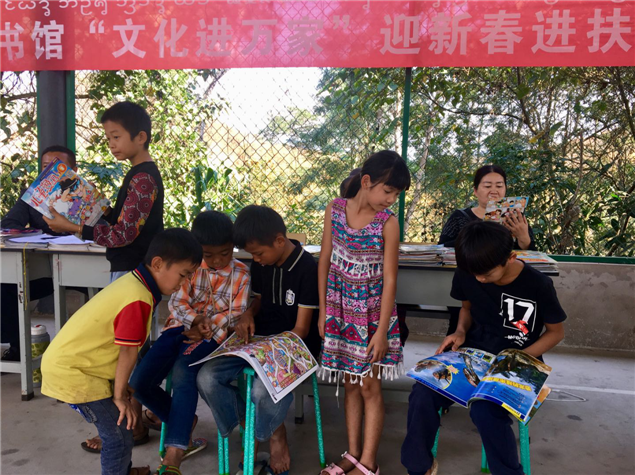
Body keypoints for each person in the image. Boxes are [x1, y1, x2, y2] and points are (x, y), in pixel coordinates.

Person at [43, 101, 165, 451]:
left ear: (140, 137)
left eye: (116, 136)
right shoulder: (137, 175)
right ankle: (133, 420)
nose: (111, 144)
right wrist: (96, 208)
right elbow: (124, 221)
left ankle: (128, 424)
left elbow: (125, 233)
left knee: (124, 349)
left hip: (133, 272)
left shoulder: (144, 177)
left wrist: (75, 227)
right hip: (130, 269)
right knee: (129, 347)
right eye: (108, 137)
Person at [401, 221, 566, 475]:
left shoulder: (538, 284)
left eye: (486, 274)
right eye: (474, 274)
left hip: (520, 360)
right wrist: (460, 331)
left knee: (485, 410)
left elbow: (556, 333)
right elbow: (466, 309)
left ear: (510, 258)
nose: (479, 279)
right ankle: (419, 467)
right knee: (423, 392)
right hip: (473, 353)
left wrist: (515, 358)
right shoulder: (468, 271)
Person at [41, 228, 202, 475]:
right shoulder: (138, 298)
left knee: (122, 428)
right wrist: (118, 395)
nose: (184, 283)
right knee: (117, 435)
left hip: (81, 368)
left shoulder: (134, 283)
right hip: (75, 373)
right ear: (158, 264)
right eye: (183, 275)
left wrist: (120, 386)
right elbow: (127, 351)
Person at [197, 205, 320, 475]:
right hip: (258, 340)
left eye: (258, 253)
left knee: (261, 392)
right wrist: (247, 315)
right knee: (207, 378)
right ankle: (254, 426)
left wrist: (267, 348)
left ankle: (272, 437)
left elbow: (301, 329)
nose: (256, 260)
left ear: (279, 240)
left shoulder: (307, 268)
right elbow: (259, 301)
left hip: (295, 345)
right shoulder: (263, 263)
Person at [129, 211, 251, 474]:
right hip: (179, 328)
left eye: (225, 253)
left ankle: (175, 452)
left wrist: (205, 328)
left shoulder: (241, 273)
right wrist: (195, 320)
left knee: (184, 373)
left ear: (233, 247)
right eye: (209, 255)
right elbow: (177, 302)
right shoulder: (191, 267)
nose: (217, 260)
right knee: (138, 383)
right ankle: (183, 421)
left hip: (213, 337)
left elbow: (235, 314)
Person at [319, 150, 411, 475]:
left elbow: (390, 280)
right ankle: (353, 454)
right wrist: (323, 312)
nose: (392, 199)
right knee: (350, 384)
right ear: (367, 181)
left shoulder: (388, 224)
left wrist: (382, 331)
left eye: (397, 194)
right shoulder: (335, 209)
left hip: (372, 315)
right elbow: (325, 259)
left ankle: (369, 463)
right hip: (340, 310)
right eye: (389, 191)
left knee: (369, 386)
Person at [439, 164, 537, 336]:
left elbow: (530, 253)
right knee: (462, 322)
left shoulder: (515, 218)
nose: (494, 190)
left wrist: (523, 237)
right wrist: (480, 234)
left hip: (505, 286)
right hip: (468, 282)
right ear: (476, 191)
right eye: (487, 186)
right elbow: (443, 247)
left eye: (499, 185)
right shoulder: (460, 217)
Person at [0, 145, 77, 361]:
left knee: (102, 288)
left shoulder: (86, 196)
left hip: (78, 263)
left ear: (74, 170)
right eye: (45, 167)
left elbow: (102, 228)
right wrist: (36, 234)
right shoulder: (32, 195)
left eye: (58, 167)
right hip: (42, 268)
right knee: (7, 284)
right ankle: (17, 347)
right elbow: (8, 224)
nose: (51, 172)